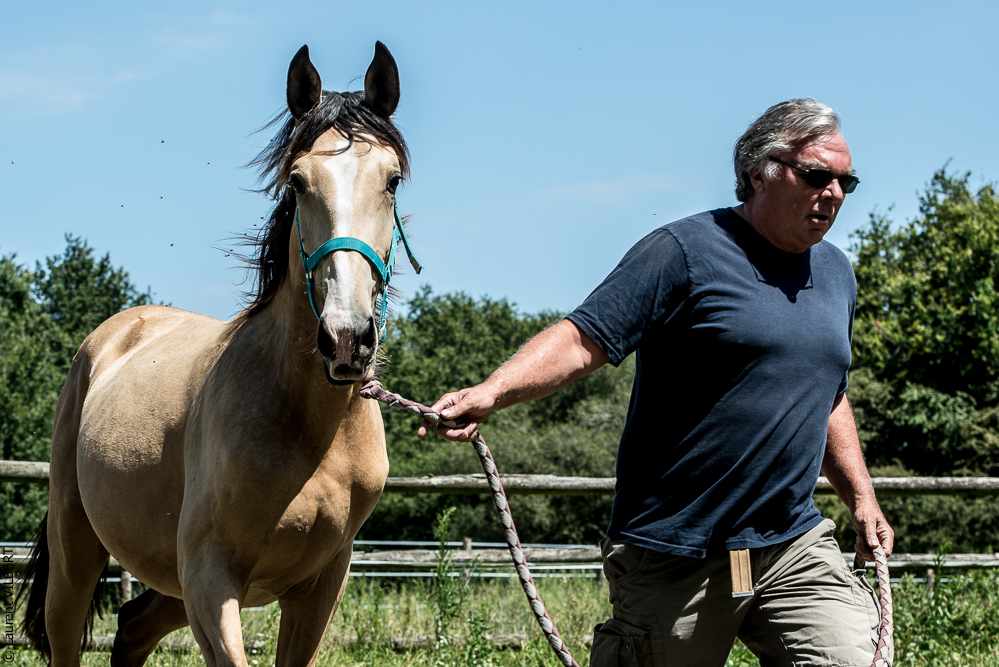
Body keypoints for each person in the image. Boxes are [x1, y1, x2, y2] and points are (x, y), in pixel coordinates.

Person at [417, 99, 894, 667]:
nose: (835, 193)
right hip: (676, 550)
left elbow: (827, 391)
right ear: (755, 175)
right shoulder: (682, 252)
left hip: (792, 543)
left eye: (847, 181)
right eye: (818, 176)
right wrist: (492, 391)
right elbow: (582, 337)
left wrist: (861, 498)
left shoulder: (837, 273)